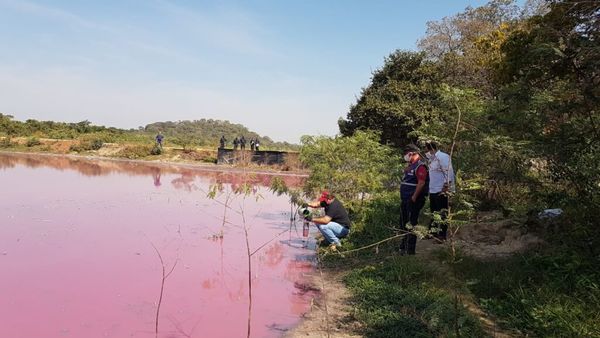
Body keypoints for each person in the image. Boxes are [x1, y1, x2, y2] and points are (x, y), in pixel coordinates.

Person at [399, 144, 429, 255]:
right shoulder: (411, 165)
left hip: (413, 200)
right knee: (403, 223)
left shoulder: (420, 166)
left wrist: (413, 197)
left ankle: (410, 250)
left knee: (411, 224)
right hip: (405, 199)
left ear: (412, 153)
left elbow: (421, 183)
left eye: (406, 154)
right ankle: (403, 246)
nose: (405, 156)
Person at [425, 141, 455, 241]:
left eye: (426, 150)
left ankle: (442, 235)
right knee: (434, 213)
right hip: (433, 190)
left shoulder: (442, 157)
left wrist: (446, 187)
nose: (426, 152)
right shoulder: (432, 159)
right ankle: (432, 232)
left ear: (431, 149)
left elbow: (448, 173)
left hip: (441, 190)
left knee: (443, 213)